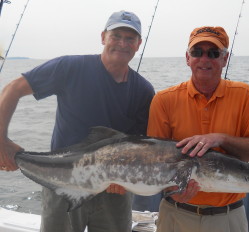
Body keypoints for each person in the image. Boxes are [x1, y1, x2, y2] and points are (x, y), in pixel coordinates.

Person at [0, 10, 158, 232]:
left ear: (138, 44)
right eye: (116, 36)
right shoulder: (70, 67)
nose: (122, 43)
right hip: (63, 181)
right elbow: (13, 89)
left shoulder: (143, 90)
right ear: (103, 37)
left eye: (130, 38)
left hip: (114, 191)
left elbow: (140, 145)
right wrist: (2, 140)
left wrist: (125, 180)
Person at [147, 26, 249, 232]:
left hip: (228, 217)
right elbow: (154, 160)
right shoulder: (164, 100)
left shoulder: (245, 95)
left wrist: (221, 139)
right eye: (197, 52)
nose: (205, 59)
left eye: (214, 53)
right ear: (187, 58)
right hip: (175, 214)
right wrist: (173, 191)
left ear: (225, 59)